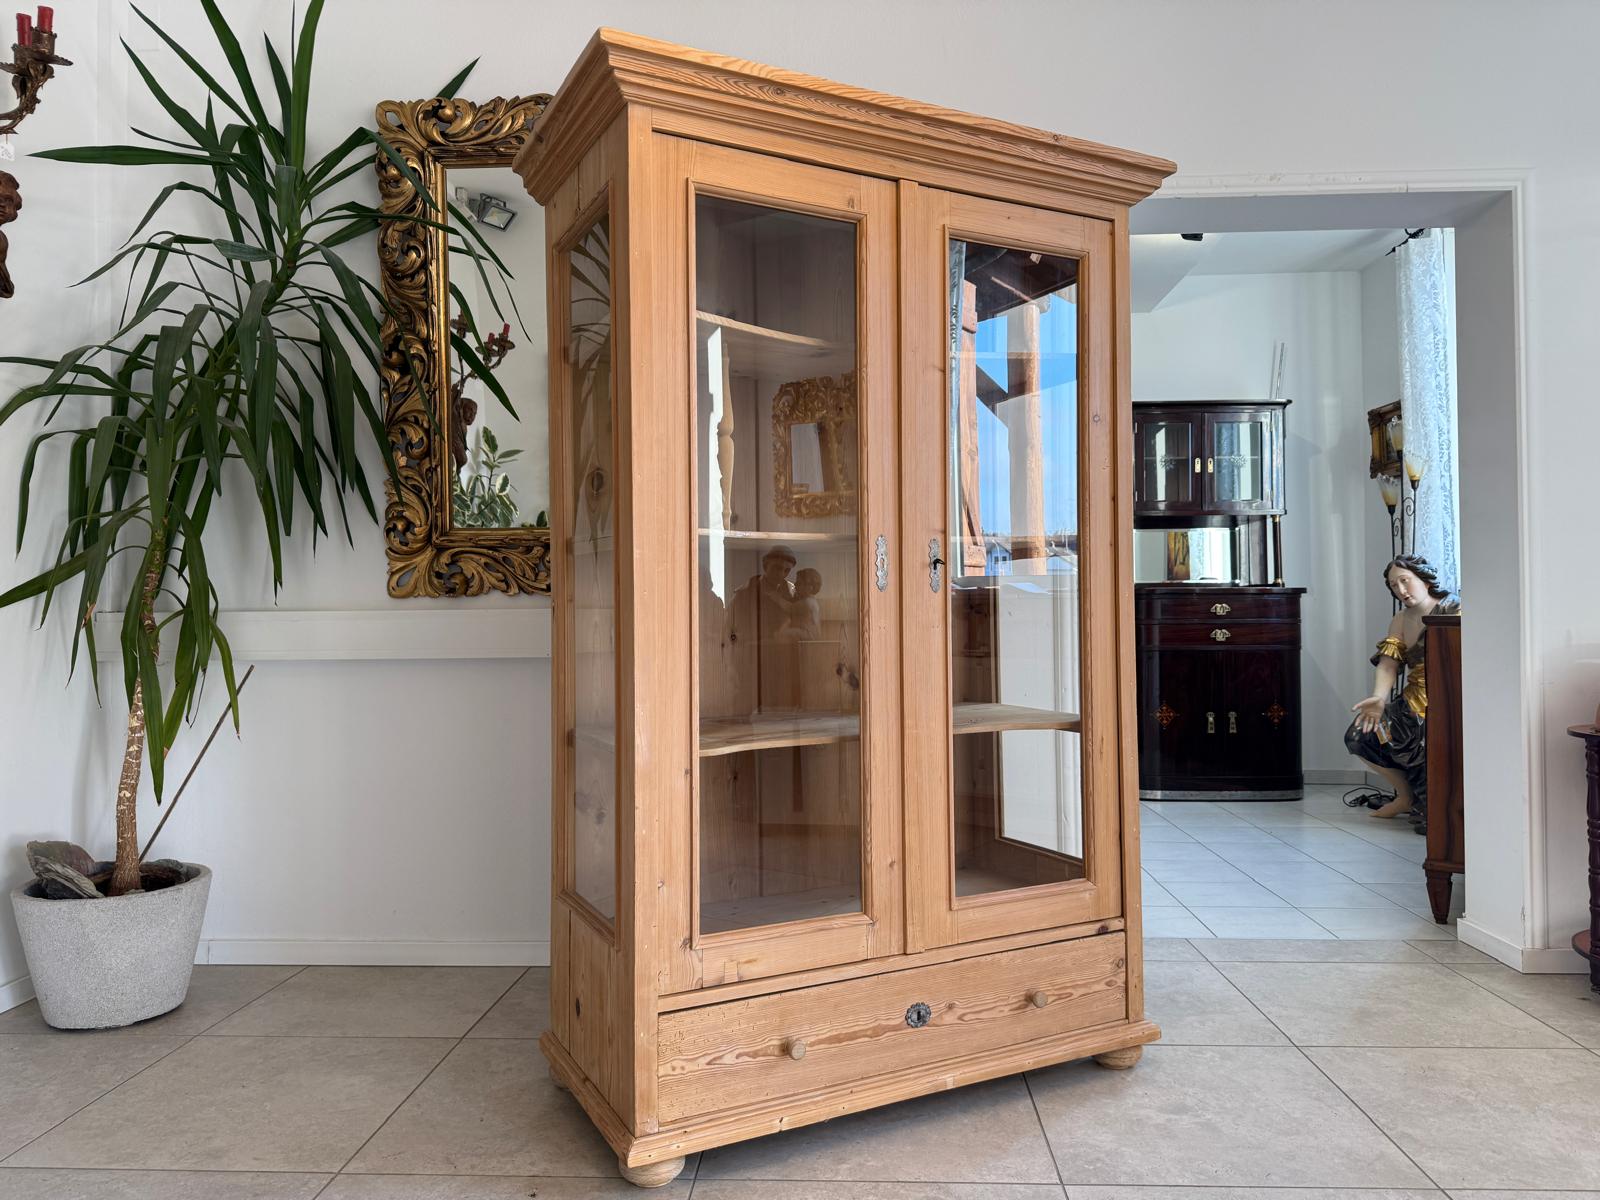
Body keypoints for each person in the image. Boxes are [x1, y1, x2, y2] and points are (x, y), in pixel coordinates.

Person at [1344, 555, 1460, 825]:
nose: (1401, 590)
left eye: (1405, 581)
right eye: (1394, 585)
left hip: (1448, 700)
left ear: (1424, 579)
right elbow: (1388, 665)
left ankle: (1437, 809)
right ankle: (1406, 797)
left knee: (1428, 746)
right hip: (1412, 700)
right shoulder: (1400, 620)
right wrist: (1379, 698)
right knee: (1360, 736)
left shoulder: (1453, 610)